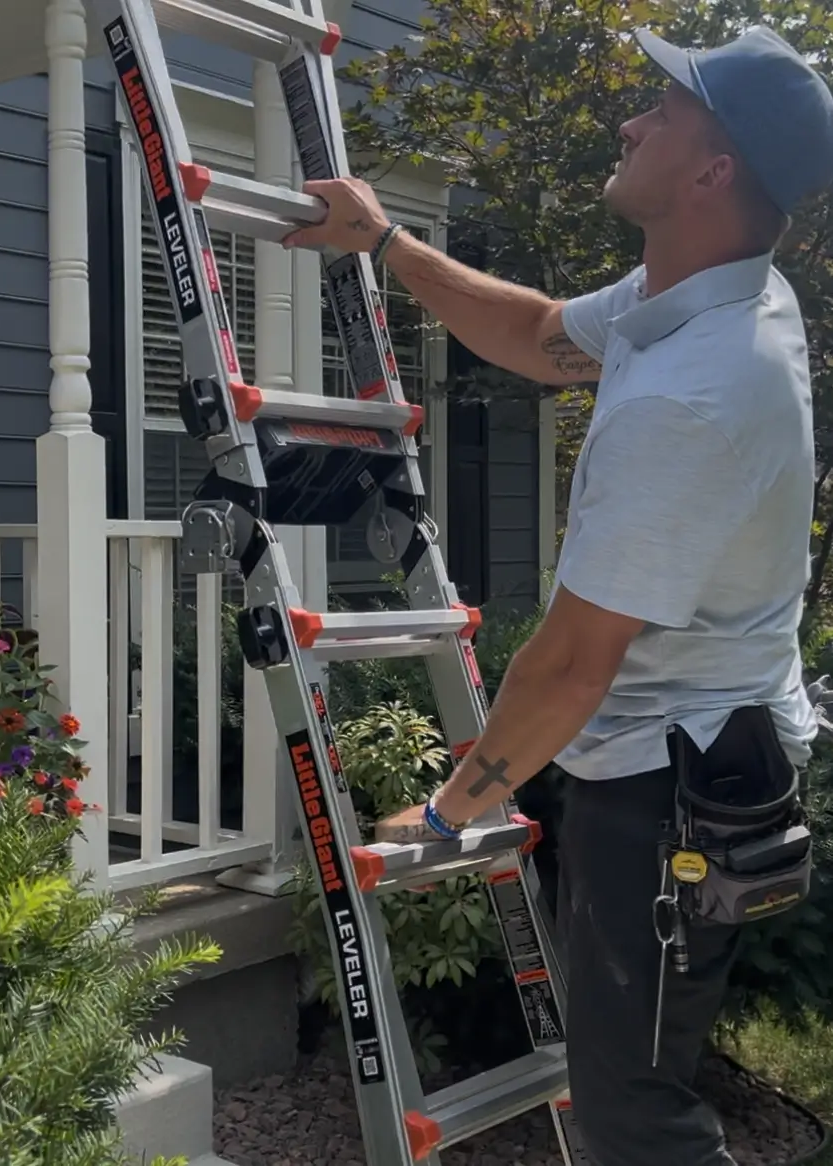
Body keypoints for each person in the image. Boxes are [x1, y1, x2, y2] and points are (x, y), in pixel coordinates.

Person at [282, 23, 833, 1166]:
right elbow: (539, 335)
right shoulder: (705, 294)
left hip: (671, 785)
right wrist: (385, 239)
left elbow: (574, 663)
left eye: (664, 112)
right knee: (627, 1084)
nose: (631, 121)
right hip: (689, 746)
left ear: (711, 171)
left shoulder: (696, 393)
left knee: (636, 1111)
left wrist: (453, 806)